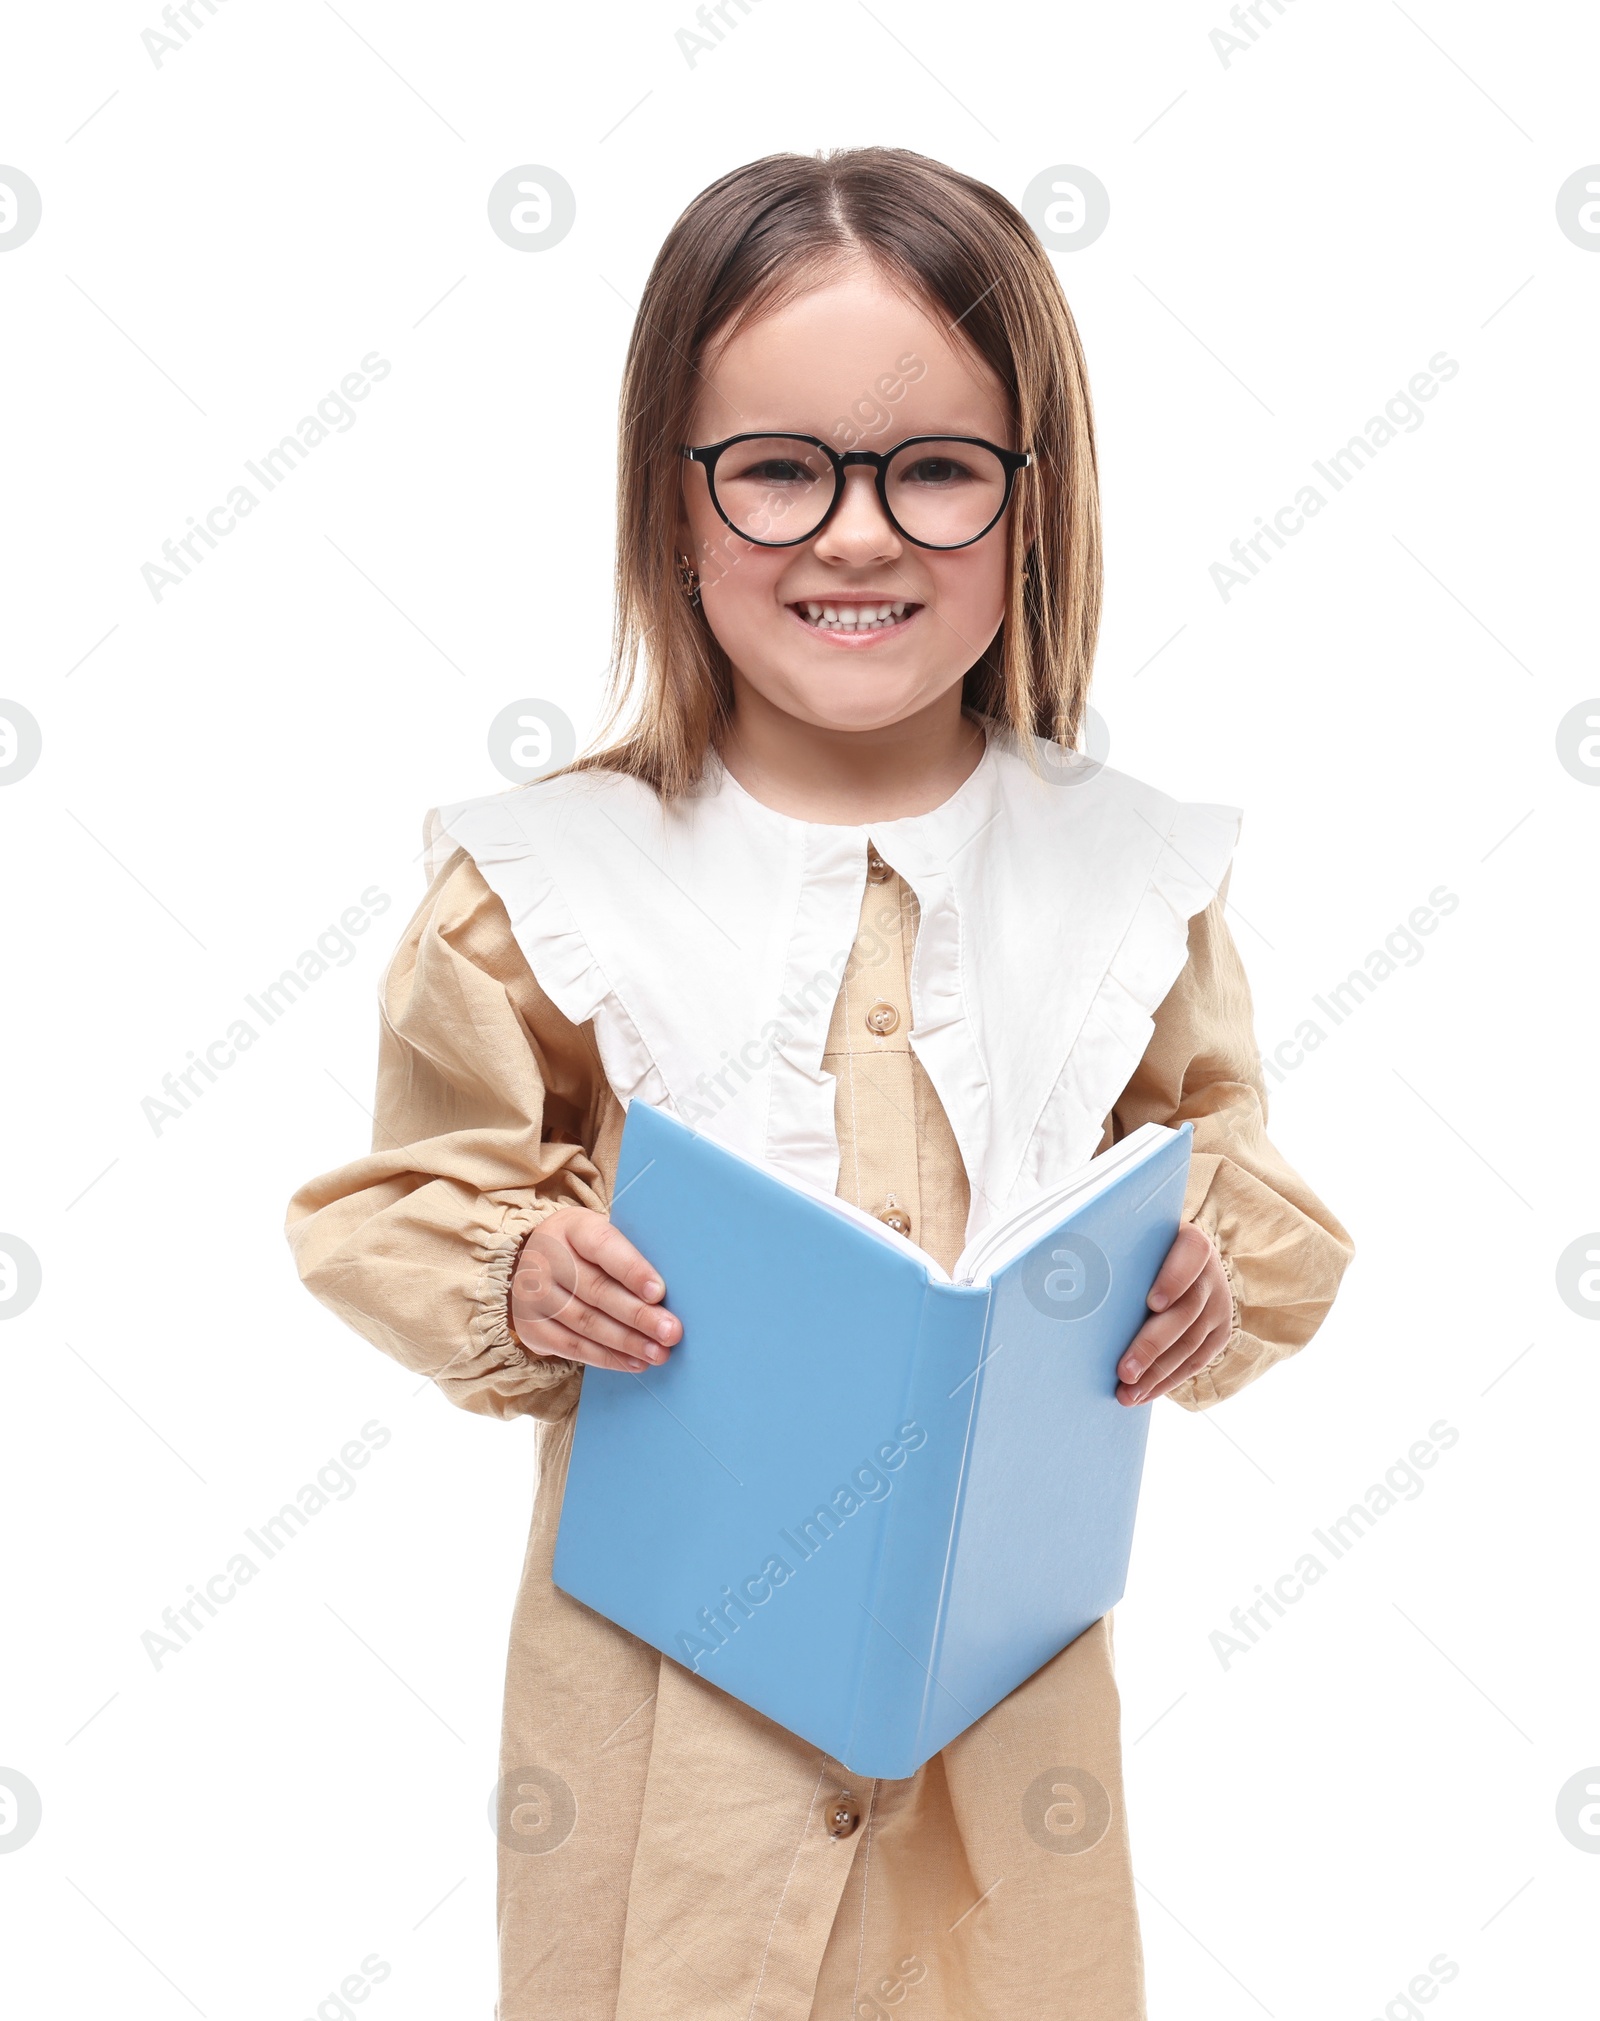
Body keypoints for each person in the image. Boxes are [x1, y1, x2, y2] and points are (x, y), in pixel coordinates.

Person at [286, 146, 1354, 2021]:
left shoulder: (1125, 880)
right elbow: (413, 1193)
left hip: (999, 1701)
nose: (855, 535)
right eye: (778, 468)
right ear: (669, 500)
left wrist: (1201, 1270)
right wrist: (525, 1272)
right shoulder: (546, 878)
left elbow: (1222, 1168)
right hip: (659, 1717)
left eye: (936, 468)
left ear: (1036, 505)